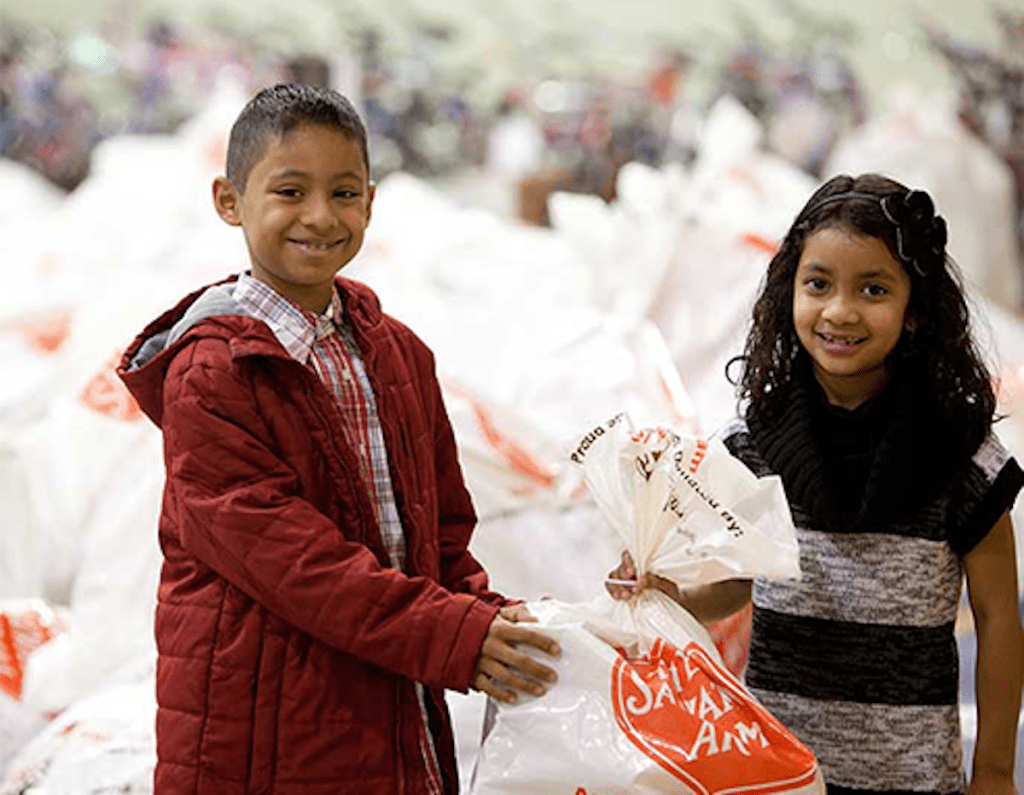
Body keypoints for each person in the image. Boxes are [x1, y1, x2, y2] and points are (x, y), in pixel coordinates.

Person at [117, 83, 559, 795]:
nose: (320, 217)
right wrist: (452, 637)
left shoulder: (399, 354)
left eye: (344, 193)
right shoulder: (212, 373)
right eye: (290, 192)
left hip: (387, 708)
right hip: (263, 736)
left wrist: (494, 621)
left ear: (371, 202)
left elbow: (440, 534)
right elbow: (299, 564)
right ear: (229, 200)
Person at [609, 173, 1023, 794]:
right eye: (818, 284)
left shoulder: (960, 456)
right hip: (779, 775)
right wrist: (668, 590)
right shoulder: (752, 443)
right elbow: (741, 585)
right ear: (789, 293)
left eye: (874, 289)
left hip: (914, 780)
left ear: (915, 311)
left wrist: (993, 769)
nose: (839, 312)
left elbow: (996, 617)